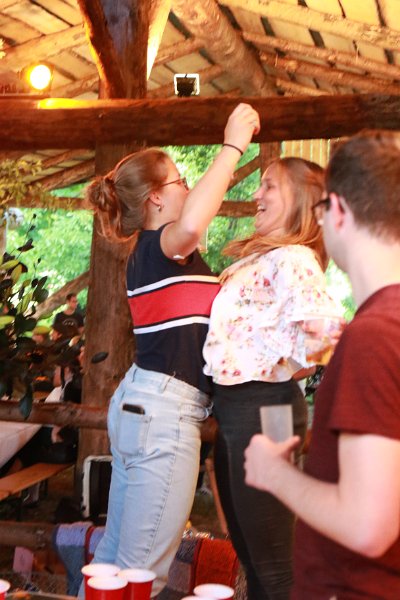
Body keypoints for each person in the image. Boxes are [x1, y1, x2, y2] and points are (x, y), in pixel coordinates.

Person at [81, 103, 260, 598]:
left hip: (147, 405)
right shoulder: (160, 246)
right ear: (157, 198)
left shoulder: (162, 257)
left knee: (114, 562)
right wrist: (233, 146)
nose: (189, 188)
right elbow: (194, 225)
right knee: (141, 573)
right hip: (164, 412)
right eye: (181, 181)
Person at [244, 130, 400, 600]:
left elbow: (368, 526)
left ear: (339, 211)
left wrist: (274, 472)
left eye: (321, 207)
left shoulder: (374, 336)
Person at [203, 157, 342, 600]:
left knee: (276, 565)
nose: (256, 195)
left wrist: (284, 365)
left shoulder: (295, 258)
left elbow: (324, 333)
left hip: (265, 407)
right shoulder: (269, 257)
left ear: (301, 199)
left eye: (269, 186)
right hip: (243, 407)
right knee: (254, 556)